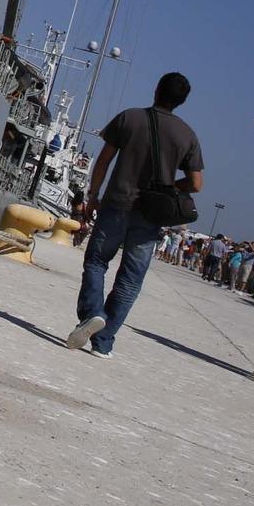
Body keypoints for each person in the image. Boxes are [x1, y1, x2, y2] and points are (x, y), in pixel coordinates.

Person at [65, 72, 204, 359]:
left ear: (156, 89)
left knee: (96, 261)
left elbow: (104, 160)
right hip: (152, 214)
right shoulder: (188, 135)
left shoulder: (129, 118)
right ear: (182, 101)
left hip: (117, 204)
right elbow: (196, 184)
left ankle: (92, 314)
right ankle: (102, 343)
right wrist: (168, 186)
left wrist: (93, 196)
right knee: (130, 280)